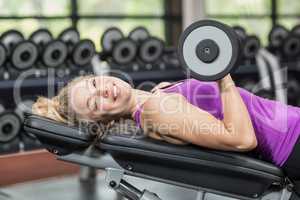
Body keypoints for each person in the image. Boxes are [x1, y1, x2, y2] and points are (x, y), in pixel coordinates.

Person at [32, 74, 300, 179]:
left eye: (93, 83)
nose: (103, 90)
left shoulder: (157, 96)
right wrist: (223, 76)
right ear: (99, 121)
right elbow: (241, 139)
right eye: (94, 103)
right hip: (293, 143)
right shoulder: (156, 111)